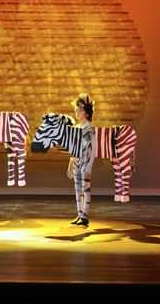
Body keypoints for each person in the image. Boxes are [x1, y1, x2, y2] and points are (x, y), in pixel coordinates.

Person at [67, 93, 96, 227]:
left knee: (86, 188)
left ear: (87, 112)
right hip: (76, 163)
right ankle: (79, 214)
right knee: (77, 189)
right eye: (76, 110)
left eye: (80, 110)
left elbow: (94, 148)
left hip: (85, 162)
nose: (77, 113)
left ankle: (85, 214)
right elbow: (73, 149)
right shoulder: (76, 129)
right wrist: (70, 164)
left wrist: (89, 166)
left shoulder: (90, 128)